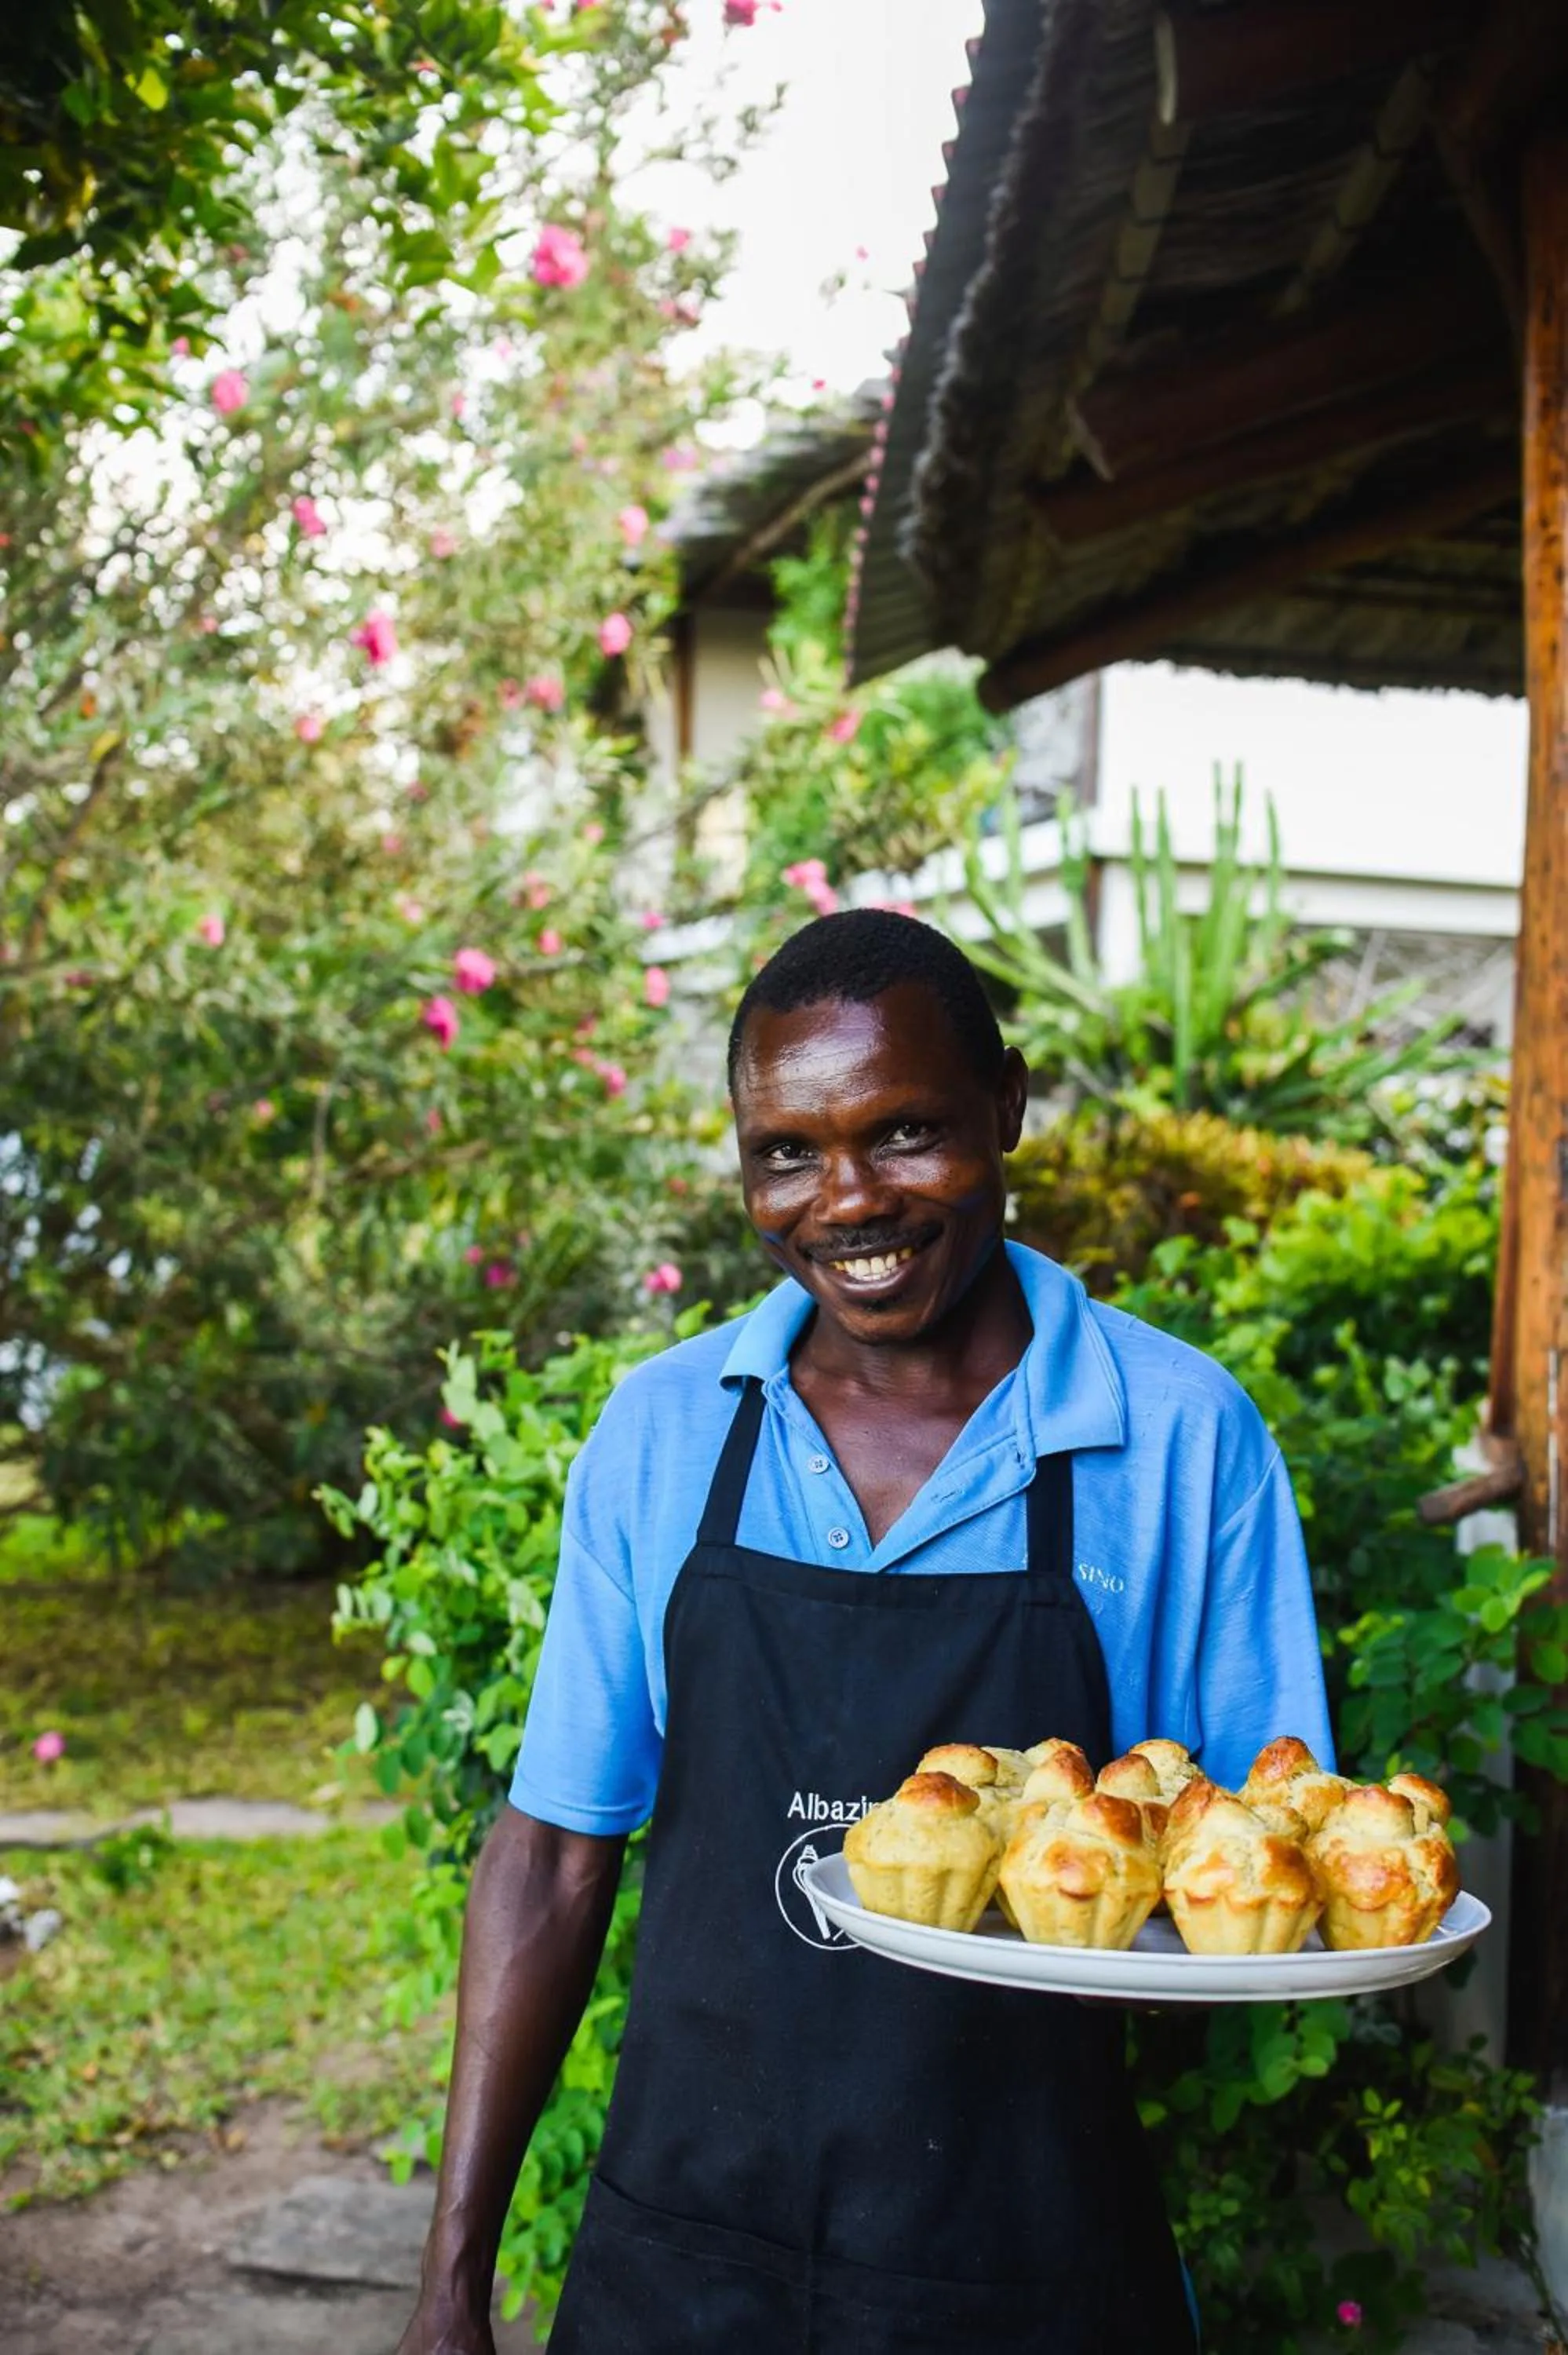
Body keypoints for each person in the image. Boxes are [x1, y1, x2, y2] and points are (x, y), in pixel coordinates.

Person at [396, 908, 1333, 2355]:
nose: (845, 1200)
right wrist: (450, 2284)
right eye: (785, 1150)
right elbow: (552, 1855)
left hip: (1024, 2264)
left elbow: (1253, 1865)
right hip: (681, 2253)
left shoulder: (1176, 1440)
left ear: (1007, 1105)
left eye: (904, 1134)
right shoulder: (662, 1433)